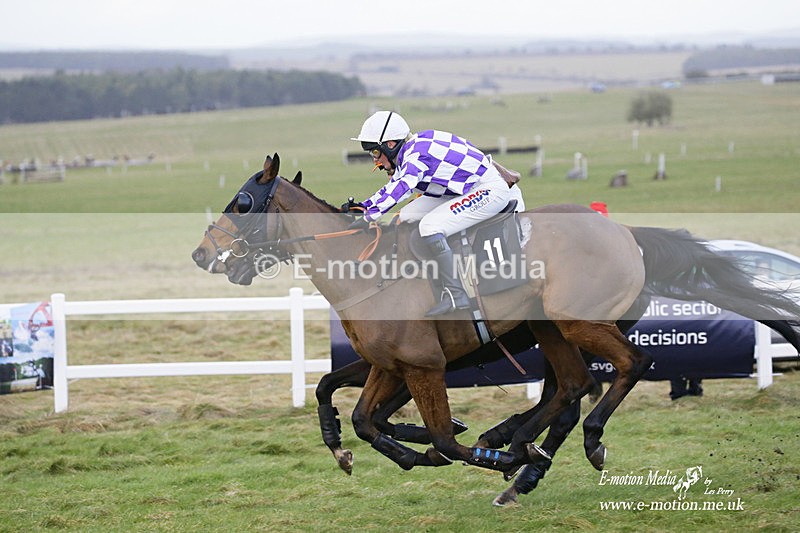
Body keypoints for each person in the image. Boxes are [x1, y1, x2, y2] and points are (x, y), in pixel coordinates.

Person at [348, 110, 514, 316]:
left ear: (390, 144)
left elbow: (402, 189)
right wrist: (364, 207)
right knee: (406, 215)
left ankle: (456, 294)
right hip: (463, 188)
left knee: (430, 226)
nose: (375, 161)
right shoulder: (411, 149)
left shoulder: (416, 156)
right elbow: (393, 186)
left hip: (487, 189)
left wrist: (369, 217)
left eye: (375, 152)